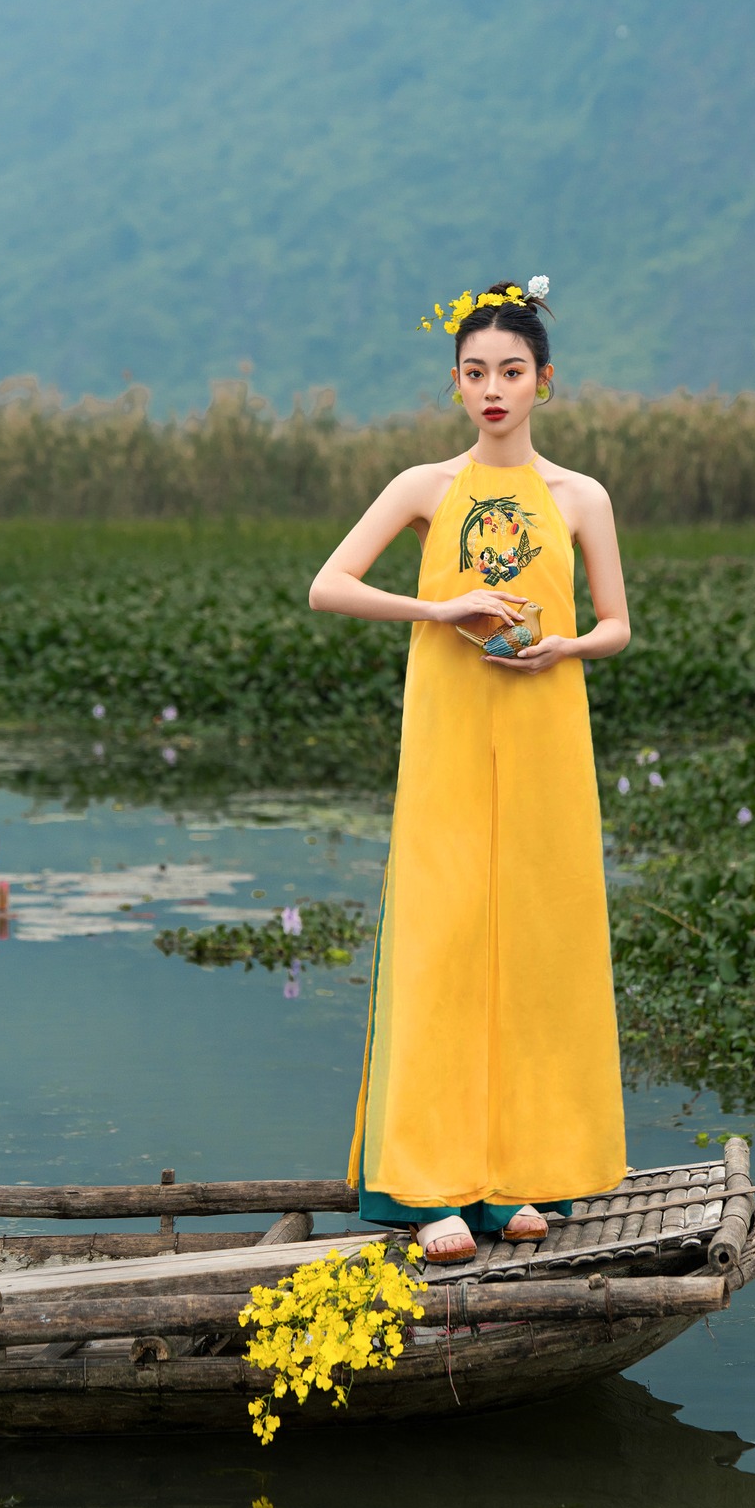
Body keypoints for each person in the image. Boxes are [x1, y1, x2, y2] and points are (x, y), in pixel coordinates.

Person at [308, 278, 630, 1264]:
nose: (494, 389)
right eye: (476, 372)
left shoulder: (581, 497)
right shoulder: (424, 487)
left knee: (536, 942)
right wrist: (438, 609)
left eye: (512, 371)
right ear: (454, 383)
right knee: (442, 943)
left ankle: (518, 1180)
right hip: (448, 735)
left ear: (544, 382)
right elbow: (328, 585)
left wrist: (566, 645)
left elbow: (617, 624)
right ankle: (431, 1188)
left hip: (544, 731)